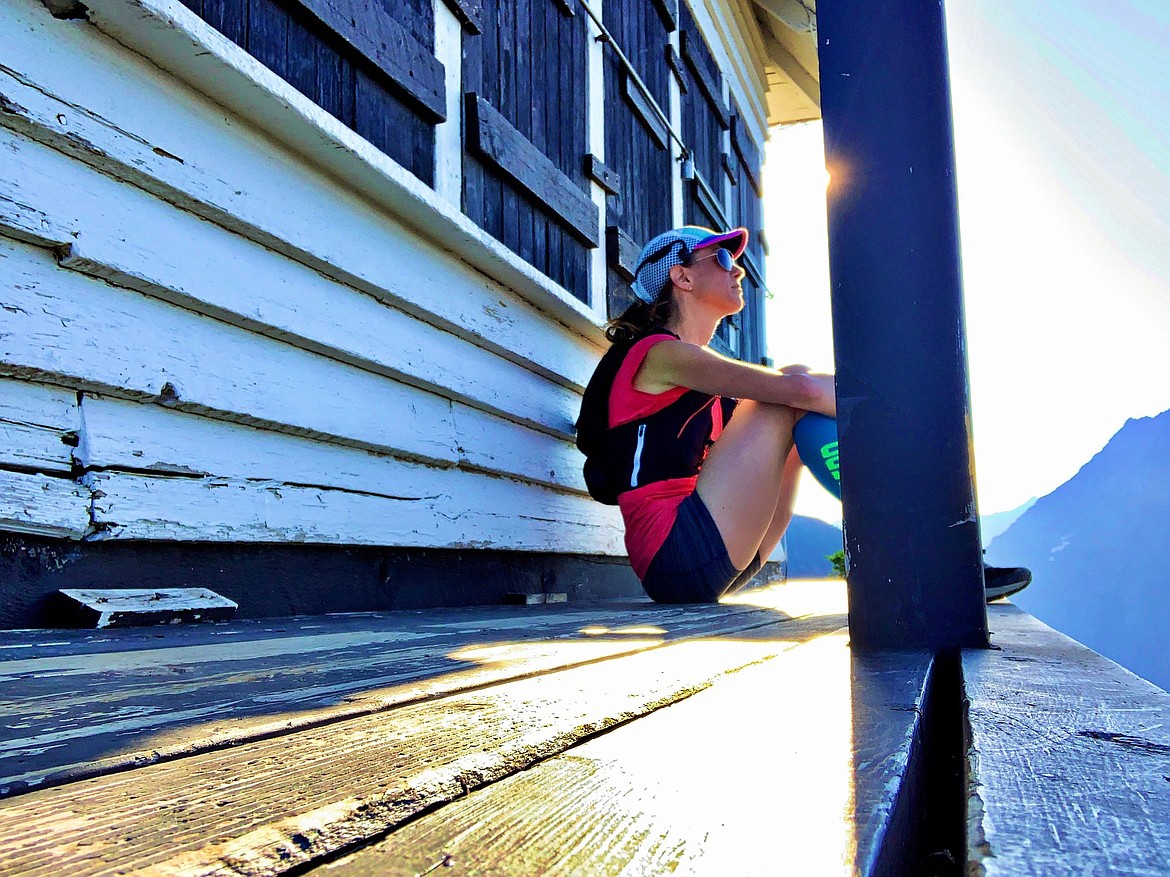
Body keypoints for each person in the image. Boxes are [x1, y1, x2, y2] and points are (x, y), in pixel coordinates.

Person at [576, 224, 1031, 604]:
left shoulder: (698, 379)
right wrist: (912, 406)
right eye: (720, 259)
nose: (736, 270)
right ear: (682, 277)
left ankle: (928, 551)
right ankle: (932, 553)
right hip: (677, 555)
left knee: (800, 416)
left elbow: (807, 398)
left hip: (711, 555)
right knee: (789, 393)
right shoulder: (660, 353)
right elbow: (796, 388)